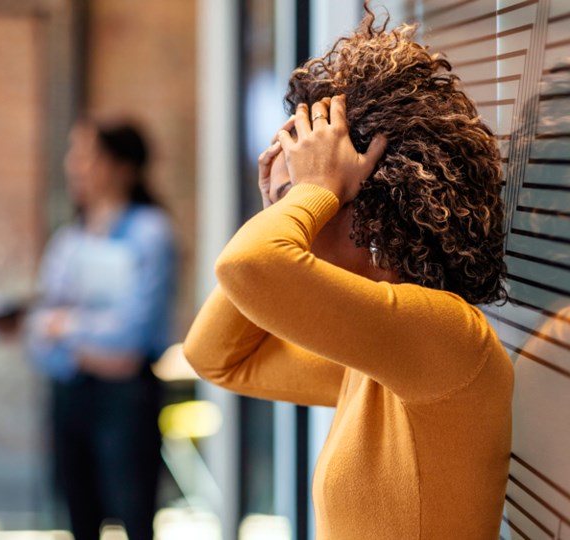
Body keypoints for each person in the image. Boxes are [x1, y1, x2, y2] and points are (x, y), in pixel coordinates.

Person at [183, 11, 513, 539]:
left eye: (313, 199)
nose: (297, 219)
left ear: (371, 205)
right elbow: (217, 357)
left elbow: (249, 265)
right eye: (290, 205)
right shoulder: (381, 353)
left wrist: (311, 194)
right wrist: (292, 203)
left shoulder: (446, 336)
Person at [27, 119, 177, 540]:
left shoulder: (150, 233)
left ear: (121, 167)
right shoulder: (68, 240)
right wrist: (91, 345)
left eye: (86, 155)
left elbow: (134, 335)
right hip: (73, 393)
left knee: (133, 512)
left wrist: (66, 329)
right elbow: (37, 332)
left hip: (127, 399)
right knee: (76, 514)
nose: (74, 166)